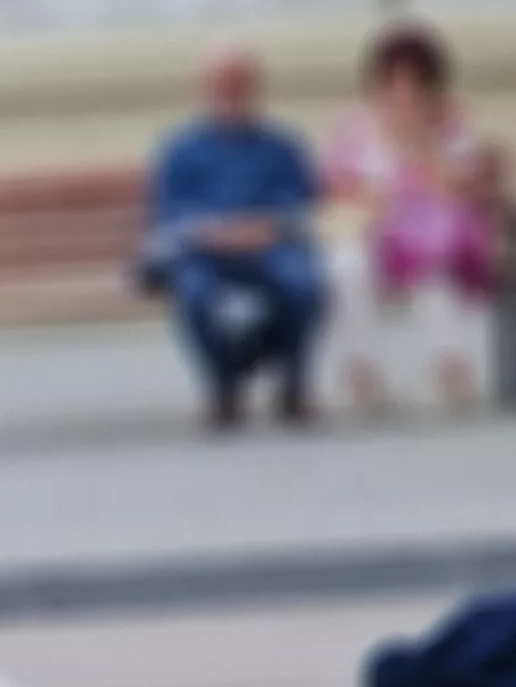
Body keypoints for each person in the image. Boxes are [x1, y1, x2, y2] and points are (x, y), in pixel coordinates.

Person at [323, 22, 506, 413]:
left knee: (433, 261)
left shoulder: (452, 121)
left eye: (415, 82)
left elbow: (461, 187)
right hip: (374, 230)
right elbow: (339, 187)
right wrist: (380, 199)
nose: (402, 91)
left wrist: (420, 142)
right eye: (393, 81)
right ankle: (362, 373)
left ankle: (450, 369)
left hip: (435, 232)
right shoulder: (356, 124)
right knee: (346, 265)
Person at [144, 44, 327, 428]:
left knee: (304, 282)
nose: (230, 93)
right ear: (205, 90)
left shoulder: (281, 145)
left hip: (271, 246)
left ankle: (294, 383)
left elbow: (300, 205)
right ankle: (222, 390)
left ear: (254, 89)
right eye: (221, 86)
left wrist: (265, 228)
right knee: (194, 290)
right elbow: (172, 215)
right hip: (208, 252)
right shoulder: (181, 150)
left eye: (239, 85)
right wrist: (213, 233)